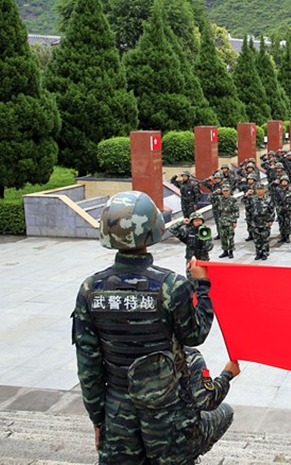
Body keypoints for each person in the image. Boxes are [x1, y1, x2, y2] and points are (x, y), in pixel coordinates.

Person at [72, 190, 218, 463]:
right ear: (153, 228)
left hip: (117, 410)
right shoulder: (171, 286)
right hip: (166, 409)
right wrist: (203, 286)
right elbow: (195, 335)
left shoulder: (90, 289)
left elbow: (88, 365)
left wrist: (98, 419)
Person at [184, 347, 239, 457]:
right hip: (180, 439)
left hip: (146, 438)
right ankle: (191, 455)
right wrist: (226, 375)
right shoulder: (189, 357)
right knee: (227, 411)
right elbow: (208, 401)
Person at [210, 184, 239, 259]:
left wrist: (235, 221)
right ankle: (225, 251)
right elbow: (210, 198)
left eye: (227, 190)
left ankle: (231, 251)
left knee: (230, 237)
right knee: (223, 237)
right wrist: (215, 192)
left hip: (230, 220)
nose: (225, 192)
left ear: (229, 191)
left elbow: (236, 211)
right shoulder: (219, 198)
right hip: (221, 220)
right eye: (224, 191)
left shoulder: (233, 199)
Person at [250, 183, 276, 261]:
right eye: (258, 189)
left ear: (264, 190)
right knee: (257, 238)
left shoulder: (268, 199)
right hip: (255, 222)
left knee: (265, 238)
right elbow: (248, 209)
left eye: (261, 189)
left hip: (265, 221)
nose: (259, 191)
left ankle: (265, 253)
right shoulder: (252, 199)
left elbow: (272, 210)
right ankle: (258, 253)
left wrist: (271, 220)